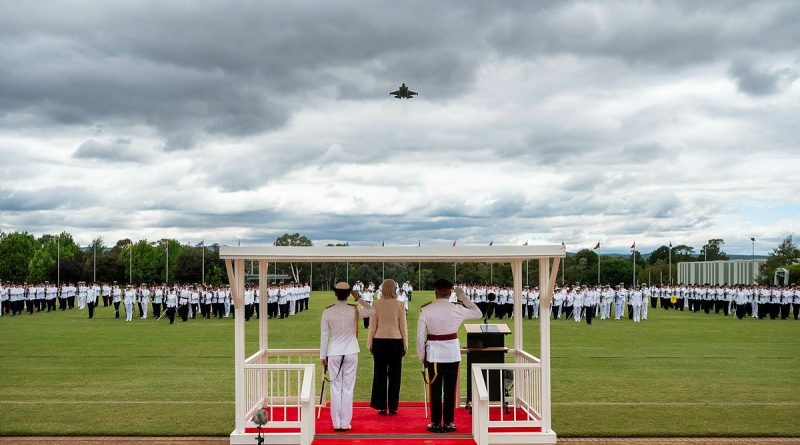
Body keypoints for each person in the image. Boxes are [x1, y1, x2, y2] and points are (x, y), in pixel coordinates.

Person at [416, 278, 482, 433]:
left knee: (435, 390)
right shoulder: (457, 308)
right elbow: (478, 313)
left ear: (435, 292)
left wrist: (422, 356)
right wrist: (463, 297)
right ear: (450, 293)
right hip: (451, 354)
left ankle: (435, 423)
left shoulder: (426, 309)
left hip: (434, 355)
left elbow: (420, 337)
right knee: (450, 390)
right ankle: (448, 423)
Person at [320, 282, 375, 432]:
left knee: (336, 388)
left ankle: (336, 423)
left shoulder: (328, 311)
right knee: (348, 388)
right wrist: (358, 298)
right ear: (349, 294)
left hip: (334, 352)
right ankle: (345, 423)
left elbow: (324, 336)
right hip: (350, 350)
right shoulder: (354, 309)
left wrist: (322, 356)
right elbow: (371, 310)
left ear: (335, 294)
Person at [368, 279, 408, 416]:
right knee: (395, 375)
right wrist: (405, 344)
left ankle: (381, 406)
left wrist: (370, 343)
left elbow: (372, 327)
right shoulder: (400, 304)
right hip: (396, 341)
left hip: (380, 341)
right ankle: (393, 406)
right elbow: (403, 327)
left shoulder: (376, 304)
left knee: (379, 374)